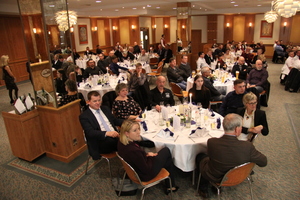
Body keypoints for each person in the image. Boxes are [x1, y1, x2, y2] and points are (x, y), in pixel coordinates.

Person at [196, 113, 267, 198]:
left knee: (200, 156)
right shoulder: (247, 147)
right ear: (237, 129)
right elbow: (264, 162)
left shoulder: (212, 142)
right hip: (239, 176)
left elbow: (210, 158)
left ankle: (203, 188)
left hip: (215, 176)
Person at [117, 120, 178, 194]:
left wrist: (146, 154)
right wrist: (150, 157)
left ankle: (171, 185)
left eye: (138, 129)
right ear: (126, 133)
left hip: (137, 168)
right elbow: (146, 169)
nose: (138, 132)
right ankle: (170, 186)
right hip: (145, 175)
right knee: (166, 151)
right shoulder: (133, 150)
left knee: (165, 159)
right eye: (135, 130)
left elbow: (137, 158)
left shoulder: (122, 141)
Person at [79, 91, 123, 160]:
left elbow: (115, 121)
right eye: (95, 101)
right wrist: (107, 133)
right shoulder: (84, 116)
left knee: (131, 133)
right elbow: (90, 132)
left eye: (99, 100)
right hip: (100, 140)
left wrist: (128, 122)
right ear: (88, 102)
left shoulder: (105, 109)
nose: (98, 103)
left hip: (115, 135)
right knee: (125, 141)